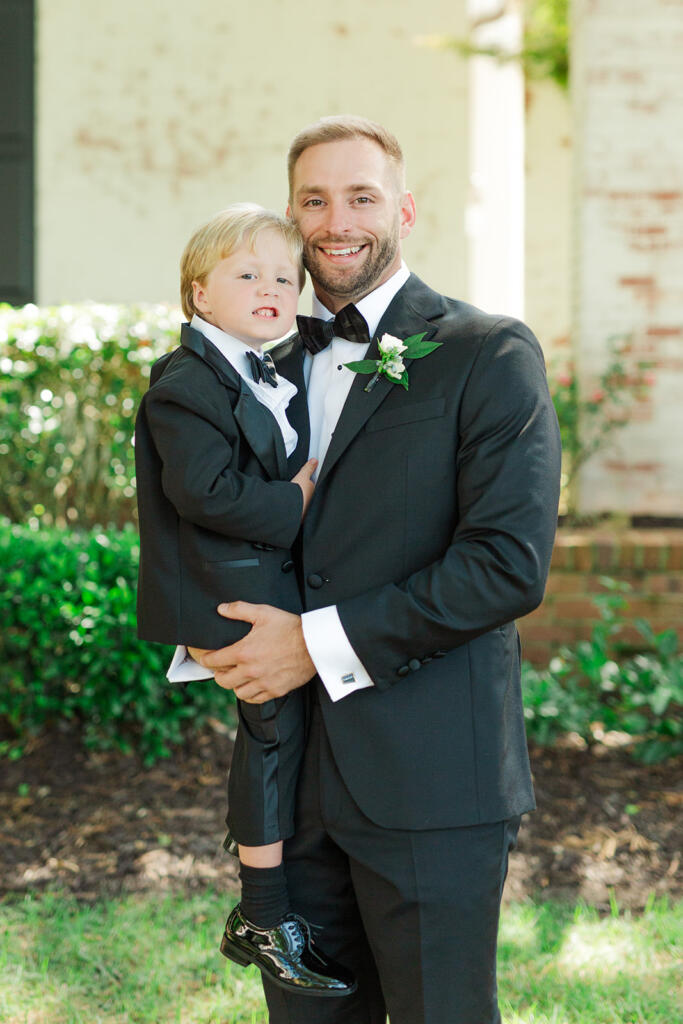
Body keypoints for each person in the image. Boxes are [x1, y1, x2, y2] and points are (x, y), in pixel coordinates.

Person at [188, 116, 563, 1024]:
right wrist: (207, 629)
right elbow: (202, 503)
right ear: (290, 213)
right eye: (312, 200)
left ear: (402, 209)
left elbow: (506, 566)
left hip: (433, 775)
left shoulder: (487, 353)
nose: (335, 220)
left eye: (359, 196)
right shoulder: (252, 358)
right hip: (288, 780)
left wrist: (311, 645)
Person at [134, 203, 356, 998]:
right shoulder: (185, 382)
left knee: (283, 737)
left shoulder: (266, 365)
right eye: (247, 274)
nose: (272, 288)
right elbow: (204, 492)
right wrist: (295, 500)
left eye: (284, 277)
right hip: (229, 596)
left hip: (265, 582)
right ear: (200, 295)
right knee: (272, 731)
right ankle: (262, 913)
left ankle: (269, 904)